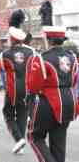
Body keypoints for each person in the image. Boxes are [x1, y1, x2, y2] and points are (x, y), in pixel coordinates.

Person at [28, 26, 79, 162]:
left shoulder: (42, 58)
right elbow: (74, 80)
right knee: (59, 143)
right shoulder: (72, 57)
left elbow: (33, 86)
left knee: (34, 136)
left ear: (48, 40)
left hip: (49, 102)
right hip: (69, 100)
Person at [0, 27, 34, 154]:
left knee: (8, 114)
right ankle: (21, 145)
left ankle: (18, 139)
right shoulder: (31, 53)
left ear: (12, 39)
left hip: (12, 89)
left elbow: (3, 68)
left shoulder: (5, 54)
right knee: (22, 115)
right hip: (27, 88)